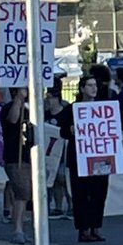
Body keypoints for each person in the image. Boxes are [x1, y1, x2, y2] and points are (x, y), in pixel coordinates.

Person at [57, 75, 112, 243]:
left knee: (99, 194)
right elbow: (62, 131)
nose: (93, 88)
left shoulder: (103, 108)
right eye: (89, 85)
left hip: (100, 157)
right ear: (82, 89)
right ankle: (83, 229)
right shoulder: (73, 109)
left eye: (95, 85)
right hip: (80, 158)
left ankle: (96, 227)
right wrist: (70, 129)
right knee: (81, 195)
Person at [0, 87, 33, 245]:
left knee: (27, 195)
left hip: (31, 157)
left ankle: (23, 228)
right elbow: (13, 119)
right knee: (22, 193)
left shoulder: (32, 108)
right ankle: (18, 230)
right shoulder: (8, 108)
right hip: (16, 158)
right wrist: (19, 100)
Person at [43, 88, 72, 219]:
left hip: (63, 152)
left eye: (50, 98)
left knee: (64, 179)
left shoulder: (65, 113)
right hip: (50, 153)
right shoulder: (45, 114)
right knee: (53, 180)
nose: (48, 101)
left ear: (56, 98)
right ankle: (58, 206)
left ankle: (71, 205)